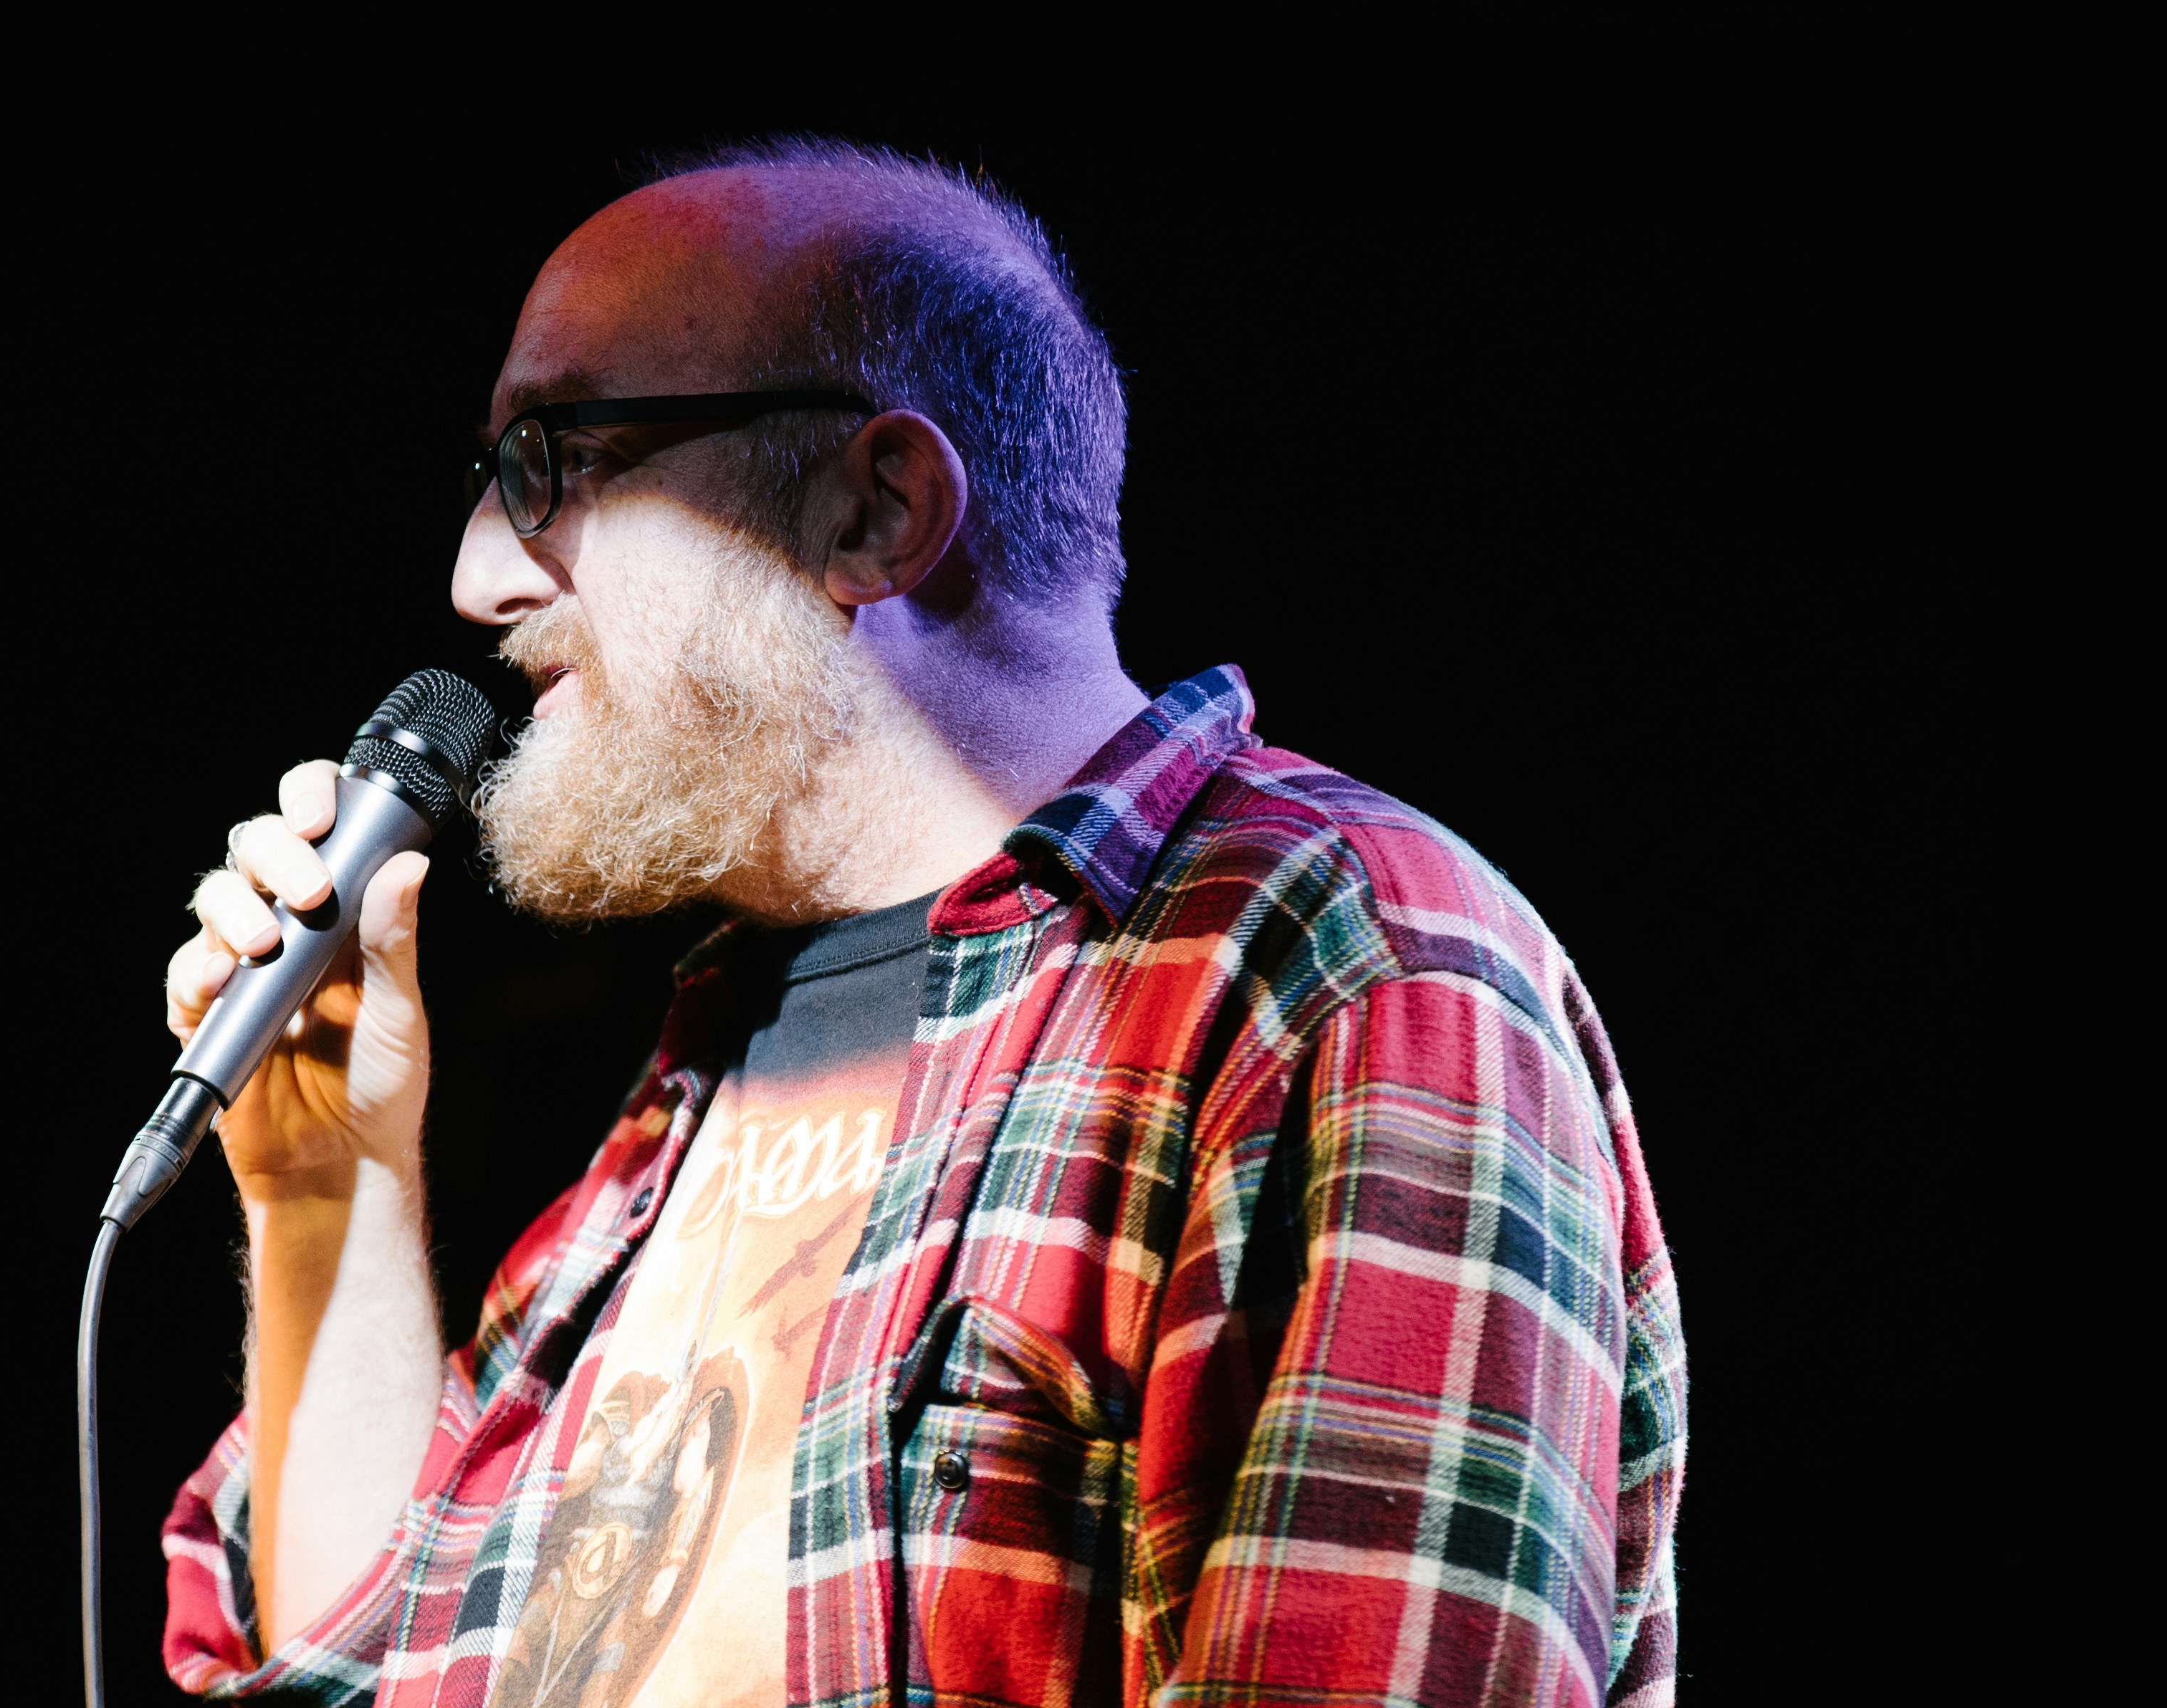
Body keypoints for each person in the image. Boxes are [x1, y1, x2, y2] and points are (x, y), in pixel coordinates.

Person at [151, 138, 1685, 1708]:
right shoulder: (696, 1081)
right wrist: (321, 1194)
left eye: (554, 458)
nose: (478, 571)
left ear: (874, 511)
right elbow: (377, 1668)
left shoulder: (1340, 972)